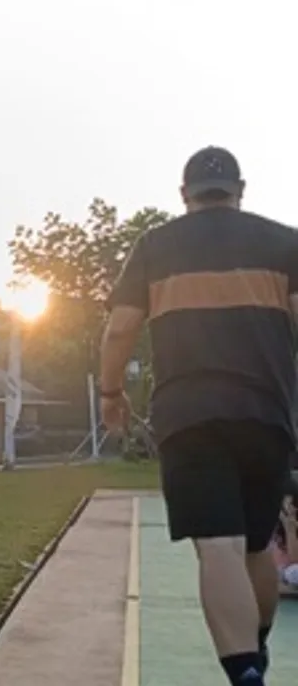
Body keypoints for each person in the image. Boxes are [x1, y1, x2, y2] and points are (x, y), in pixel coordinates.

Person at [100, 146, 297, 685]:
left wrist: (111, 393)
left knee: (218, 546)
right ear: (240, 191)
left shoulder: (155, 246)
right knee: (257, 544)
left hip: (190, 417)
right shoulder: (285, 243)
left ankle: (244, 671)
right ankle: (256, 647)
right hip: (267, 415)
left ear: (184, 194)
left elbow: (120, 329)